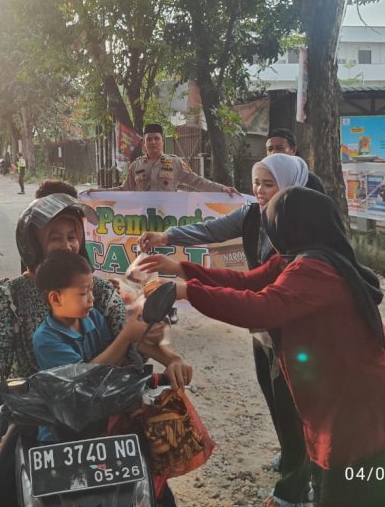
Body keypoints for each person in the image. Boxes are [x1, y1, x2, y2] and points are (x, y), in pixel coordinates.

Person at [139, 187, 385, 507]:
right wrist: (180, 271)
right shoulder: (298, 259)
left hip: (373, 418)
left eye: (272, 223)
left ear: (291, 226)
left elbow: (260, 306)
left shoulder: (315, 270)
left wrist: (185, 291)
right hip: (355, 411)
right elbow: (248, 283)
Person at [0, 192, 192, 506]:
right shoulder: (11, 294)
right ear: (32, 244)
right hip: (35, 418)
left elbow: (132, 333)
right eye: (55, 238)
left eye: (72, 236)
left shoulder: (97, 288)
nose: (67, 245)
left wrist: (172, 358)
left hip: (105, 411)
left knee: (155, 493)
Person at [140, 153, 315, 507]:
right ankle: (291, 456)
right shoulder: (254, 215)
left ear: (291, 185)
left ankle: (298, 484)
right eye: (256, 183)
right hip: (264, 321)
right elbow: (239, 268)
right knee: (274, 393)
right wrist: (173, 249)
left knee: (294, 403)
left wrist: (186, 287)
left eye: (269, 184)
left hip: (292, 328)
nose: (260, 191)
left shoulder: (301, 234)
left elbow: (259, 294)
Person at [33, 250, 150, 442]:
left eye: (91, 290)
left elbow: (112, 359)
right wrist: (126, 336)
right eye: (82, 293)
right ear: (55, 299)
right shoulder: (45, 339)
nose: (91, 298)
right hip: (61, 432)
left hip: (98, 419)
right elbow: (85, 380)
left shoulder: (93, 316)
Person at [119, 123, 237, 194]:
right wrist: (105, 193)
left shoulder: (175, 163)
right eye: (149, 139)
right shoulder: (136, 166)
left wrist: (222, 189)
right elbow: (124, 189)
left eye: (156, 138)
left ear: (162, 141)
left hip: (168, 216)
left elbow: (197, 181)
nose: (153, 142)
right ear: (144, 143)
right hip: (144, 218)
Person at [264, 128, 326, 194]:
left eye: (279, 148)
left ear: (293, 150)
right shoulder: (262, 178)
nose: (274, 153)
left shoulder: (310, 180)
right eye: (270, 149)